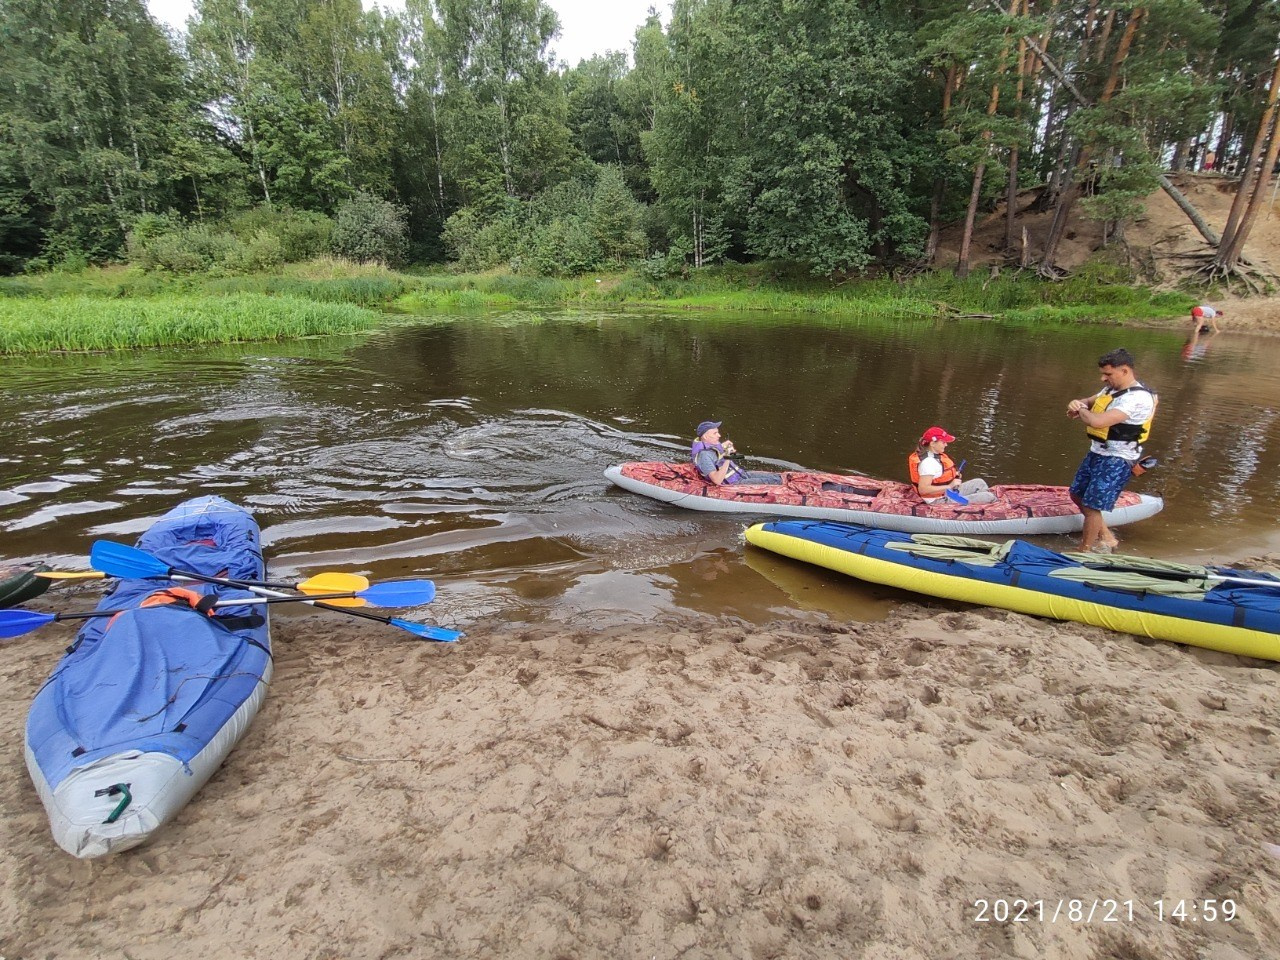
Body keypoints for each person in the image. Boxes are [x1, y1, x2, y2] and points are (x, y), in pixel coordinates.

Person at [1066, 348, 1157, 553]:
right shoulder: (1111, 390)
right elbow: (1090, 402)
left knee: (1091, 505)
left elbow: (1098, 421)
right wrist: (1079, 403)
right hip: (1098, 452)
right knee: (1077, 494)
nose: (1103, 378)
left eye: (1108, 374)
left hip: (1118, 458)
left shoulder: (1137, 398)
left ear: (1124, 371)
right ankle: (1107, 537)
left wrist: (1080, 410)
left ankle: (1084, 550)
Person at [908, 427, 997, 504]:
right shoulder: (928, 463)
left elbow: (938, 477)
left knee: (979, 482)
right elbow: (923, 490)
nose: (946, 444)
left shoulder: (934, 455)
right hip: (939, 500)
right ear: (932, 443)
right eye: (943, 442)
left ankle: (977, 501)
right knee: (989, 497)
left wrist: (953, 475)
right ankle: (982, 505)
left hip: (947, 493)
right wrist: (949, 486)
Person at [690, 420, 783, 486]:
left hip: (741, 475)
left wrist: (729, 451)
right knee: (775, 482)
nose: (719, 435)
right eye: (715, 433)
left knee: (777, 477)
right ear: (705, 437)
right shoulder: (704, 456)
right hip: (733, 483)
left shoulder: (714, 446)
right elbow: (717, 481)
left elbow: (738, 457)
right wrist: (728, 458)